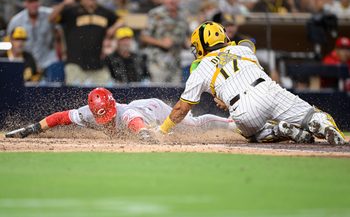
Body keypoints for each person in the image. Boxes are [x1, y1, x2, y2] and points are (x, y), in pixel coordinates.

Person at [159, 21, 346, 145]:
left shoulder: (200, 69)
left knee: (251, 134)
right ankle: (325, 126)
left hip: (243, 108)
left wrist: (163, 130)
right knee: (313, 116)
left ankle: (278, 130)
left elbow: (181, 109)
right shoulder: (244, 50)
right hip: (270, 90)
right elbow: (244, 51)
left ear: (200, 45)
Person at [5, 87, 237, 141]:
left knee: (193, 124)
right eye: (100, 118)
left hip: (153, 110)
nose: (104, 122)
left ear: (113, 106)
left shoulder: (124, 113)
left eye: (107, 117)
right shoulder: (88, 113)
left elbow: (135, 122)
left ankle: (231, 123)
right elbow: (59, 118)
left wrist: (145, 135)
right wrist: (32, 129)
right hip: (141, 111)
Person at [49, 0, 122, 85]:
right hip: (75, 62)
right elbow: (51, 19)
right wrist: (64, 4)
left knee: (106, 92)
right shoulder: (72, 11)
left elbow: (121, 20)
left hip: (97, 63)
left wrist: (113, 28)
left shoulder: (104, 12)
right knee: (75, 95)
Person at [6, 0, 64, 83]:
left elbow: (61, 25)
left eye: (36, 1)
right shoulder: (16, 21)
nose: (34, 4)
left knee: (55, 82)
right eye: (30, 1)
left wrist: (64, 4)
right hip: (27, 61)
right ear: (25, 3)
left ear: (39, 2)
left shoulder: (49, 14)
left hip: (48, 59)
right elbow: (9, 41)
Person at [140, 0, 189, 84]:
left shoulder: (183, 15)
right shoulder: (155, 14)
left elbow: (186, 36)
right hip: (158, 63)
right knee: (158, 93)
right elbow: (143, 37)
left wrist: (187, 43)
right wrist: (161, 43)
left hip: (176, 63)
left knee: (175, 94)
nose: (171, 0)